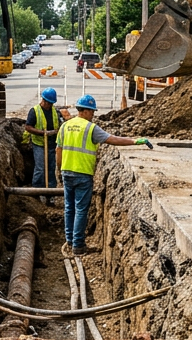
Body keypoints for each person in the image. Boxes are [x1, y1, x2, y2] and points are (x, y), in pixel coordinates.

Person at [56, 95, 150, 255]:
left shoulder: (65, 126)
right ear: (84, 111)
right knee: (80, 210)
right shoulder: (90, 128)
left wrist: (60, 169)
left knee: (69, 208)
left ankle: (70, 241)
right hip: (83, 173)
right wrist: (134, 141)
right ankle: (78, 246)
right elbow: (112, 139)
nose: (93, 114)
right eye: (91, 111)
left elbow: (58, 150)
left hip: (67, 172)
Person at [24, 87, 63, 188]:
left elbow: (59, 124)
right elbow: (28, 127)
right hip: (39, 144)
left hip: (52, 144)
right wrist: (43, 133)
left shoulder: (55, 111)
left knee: (51, 168)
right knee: (40, 168)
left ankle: (50, 192)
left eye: (52, 103)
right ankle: (37, 190)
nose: (50, 105)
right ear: (43, 100)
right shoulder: (34, 111)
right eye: (49, 103)